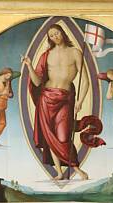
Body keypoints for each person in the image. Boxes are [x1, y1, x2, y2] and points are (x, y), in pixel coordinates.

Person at [23, 24, 90, 180]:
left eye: (57, 33)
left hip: (65, 98)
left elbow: (85, 80)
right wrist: (29, 66)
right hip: (46, 98)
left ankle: (76, 169)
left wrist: (80, 100)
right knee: (50, 137)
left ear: (63, 33)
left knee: (62, 136)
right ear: (49, 38)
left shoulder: (75, 53)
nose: (55, 37)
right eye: (51, 35)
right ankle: (60, 172)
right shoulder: (46, 55)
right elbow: (38, 82)